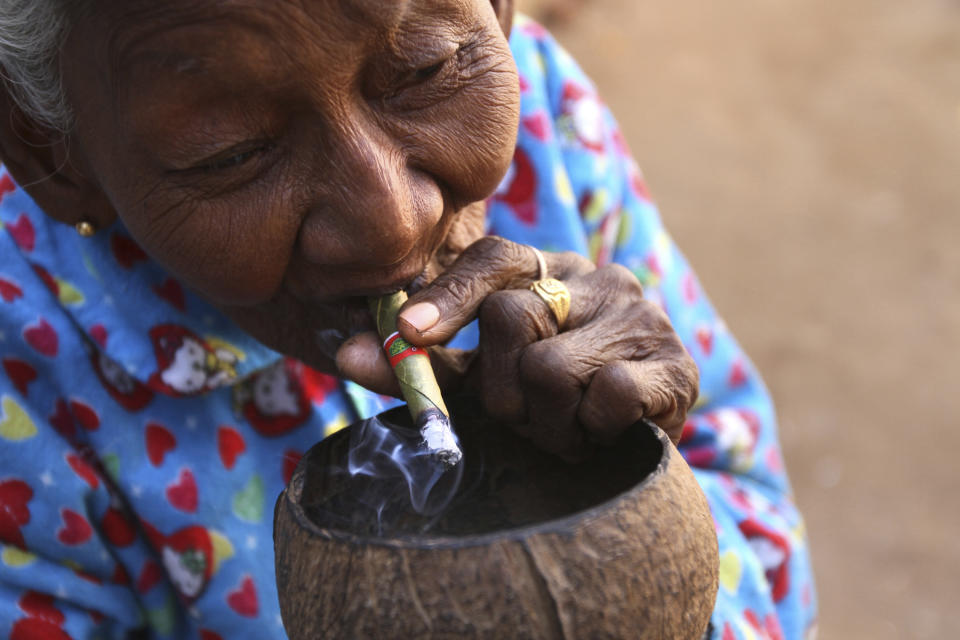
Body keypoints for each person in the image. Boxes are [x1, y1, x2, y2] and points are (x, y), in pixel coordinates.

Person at [0, 0, 816, 638]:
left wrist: (642, 482)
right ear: (42, 150)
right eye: (233, 153)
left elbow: (760, 530)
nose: (388, 221)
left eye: (422, 71)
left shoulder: (540, 119)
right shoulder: (22, 364)